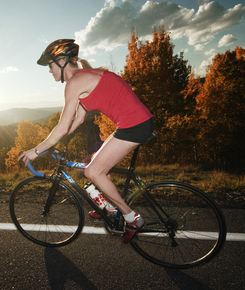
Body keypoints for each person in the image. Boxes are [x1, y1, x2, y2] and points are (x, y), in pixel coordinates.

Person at [18, 39, 154, 244]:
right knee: (93, 161)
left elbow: (63, 126)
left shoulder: (75, 83)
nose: (49, 71)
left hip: (133, 126)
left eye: (50, 65)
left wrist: (36, 150)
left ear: (62, 62)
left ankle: (131, 218)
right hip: (137, 123)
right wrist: (53, 142)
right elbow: (77, 120)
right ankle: (109, 206)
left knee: (92, 171)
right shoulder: (85, 79)